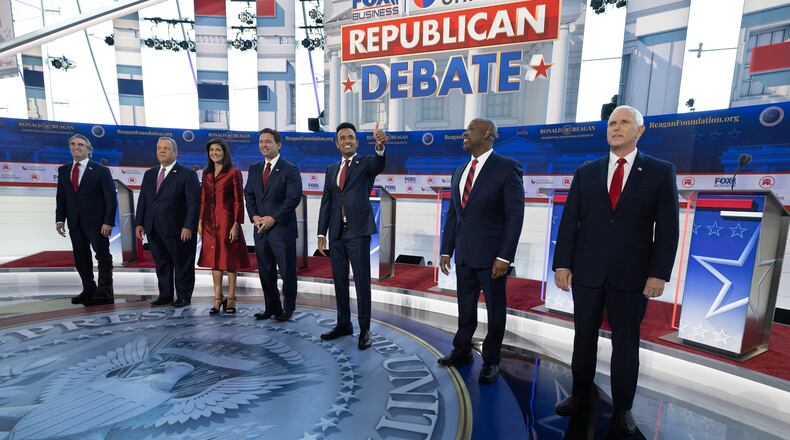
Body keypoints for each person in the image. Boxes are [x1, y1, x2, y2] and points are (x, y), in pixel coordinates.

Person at [552, 105, 679, 435]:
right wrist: (562, 263)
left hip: (633, 275)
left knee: (626, 344)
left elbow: (667, 228)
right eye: (612, 123)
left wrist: (659, 273)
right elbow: (569, 223)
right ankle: (580, 395)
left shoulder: (660, 171)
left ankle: (623, 407)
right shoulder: (587, 172)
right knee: (584, 339)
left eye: (624, 122)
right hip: (588, 272)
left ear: (639, 130)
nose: (616, 128)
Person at [437, 118, 524, 383]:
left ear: (486, 133)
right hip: (464, 254)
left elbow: (514, 216)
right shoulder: (459, 171)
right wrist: (445, 250)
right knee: (465, 307)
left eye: (471, 129)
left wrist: (504, 256)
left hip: (492, 258)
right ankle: (462, 349)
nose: (464, 133)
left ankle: (491, 359)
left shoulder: (508, 168)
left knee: (496, 311)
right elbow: (453, 214)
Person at [317, 121, 388, 350]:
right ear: (337, 144)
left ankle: (365, 330)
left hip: (358, 231)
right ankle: (343, 324)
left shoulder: (365, 163)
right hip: (337, 233)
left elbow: (379, 164)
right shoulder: (331, 169)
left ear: (356, 142)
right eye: (343, 138)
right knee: (339, 281)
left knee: (361, 281)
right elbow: (326, 203)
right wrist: (321, 233)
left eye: (351, 137)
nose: (347, 141)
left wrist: (379, 147)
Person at [244, 128, 303, 322]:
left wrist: (273, 218)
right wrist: (254, 217)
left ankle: (288, 309)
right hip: (260, 229)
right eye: (261, 142)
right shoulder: (254, 168)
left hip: (282, 230)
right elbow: (249, 195)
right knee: (265, 272)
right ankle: (271, 307)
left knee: (287, 273)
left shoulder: (290, 168)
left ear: (278, 145)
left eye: (268, 141)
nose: (264, 145)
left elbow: (293, 198)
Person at [135, 136, 201, 308]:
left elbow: (194, 203)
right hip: (153, 227)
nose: (162, 151)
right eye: (159, 148)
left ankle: (184, 296)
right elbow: (144, 200)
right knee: (162, 264)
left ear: (175, 152)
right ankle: (165, 295)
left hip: (179, 229)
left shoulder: (188, 174)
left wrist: (188, 226)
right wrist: (139, 223)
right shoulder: (150, 174)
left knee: (182, 264)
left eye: (166, 148)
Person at [55, 134, 117, 306]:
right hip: (75, 223)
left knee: (103, 256)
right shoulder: (63, 170)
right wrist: (60, 219)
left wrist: (108, 221)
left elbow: (111, 199)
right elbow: (61, 197)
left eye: (81, 144)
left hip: (98, 223)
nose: (77, 147)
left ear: (89, 150)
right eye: (73, 144)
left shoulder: (101, 171)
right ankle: (88, 289)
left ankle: (105, 291)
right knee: (81, 258)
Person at [197, 138, 250, 314]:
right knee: (214, 262)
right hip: (209, 224)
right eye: (211, 150)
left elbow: (238, 200)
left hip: (227, 222)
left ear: (224, 152)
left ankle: (232, 299)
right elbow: (203, 200)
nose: (214, 153)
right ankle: (217, 299)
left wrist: (236, 224)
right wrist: (199, 221)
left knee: (230, 262)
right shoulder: (206, 173)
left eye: (218, 150)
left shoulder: (234, 172)